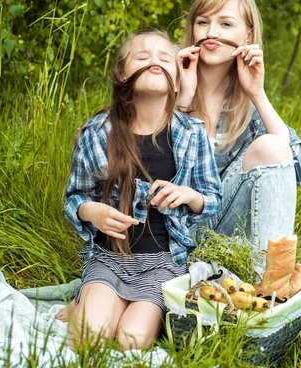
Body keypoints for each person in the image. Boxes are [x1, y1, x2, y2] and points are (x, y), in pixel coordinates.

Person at [63, 30, 221, 350]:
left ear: (177, 81)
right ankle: (92, 303)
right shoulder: (97, 132)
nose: (155, 62)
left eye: (165, 58)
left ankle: (102, 307)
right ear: (122, 74)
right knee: (88, 339)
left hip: (163, 263)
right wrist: (90, 210)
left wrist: (189, 196)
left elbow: (212, 197)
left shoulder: (192, 134)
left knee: (131, 341)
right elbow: (74, 196)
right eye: (143, 56)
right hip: (109, 259)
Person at [177, 0, 301, 261]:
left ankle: (271, 280)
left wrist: (257, 94)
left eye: (225, 24)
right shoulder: (166, 81)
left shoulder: (245, 106)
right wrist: (180, 102)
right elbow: (144, 162)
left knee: (273, 146)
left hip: (221, 229)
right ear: (192, 28)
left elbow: (298, 170)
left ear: (247, 37)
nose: (212, 31)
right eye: (203, 22)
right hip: (171, 236)